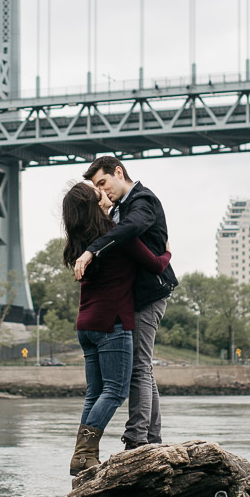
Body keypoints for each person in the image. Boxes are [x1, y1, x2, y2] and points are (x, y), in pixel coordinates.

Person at [62, 181, 172, 475]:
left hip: (85, 324)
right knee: (114, 391)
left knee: (94, 392)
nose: (105, 193)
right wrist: (168, 253)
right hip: (112, 323)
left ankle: (83, 460)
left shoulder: (78, 241)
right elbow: (155, 264)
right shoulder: (114, 236)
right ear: (95, 205)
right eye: (99, 192)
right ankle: (84, 452)